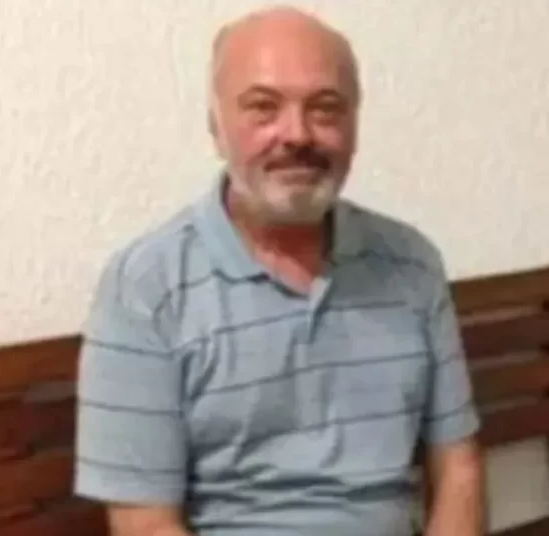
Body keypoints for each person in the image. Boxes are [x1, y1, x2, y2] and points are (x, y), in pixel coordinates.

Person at [73, 5, 483, 536]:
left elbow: (458, 467)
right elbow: (145, 525)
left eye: (325, 109)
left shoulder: (412, 264)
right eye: (263, 108)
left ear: (355, 124)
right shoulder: (146, 288)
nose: (297, 134)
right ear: (216, 126)